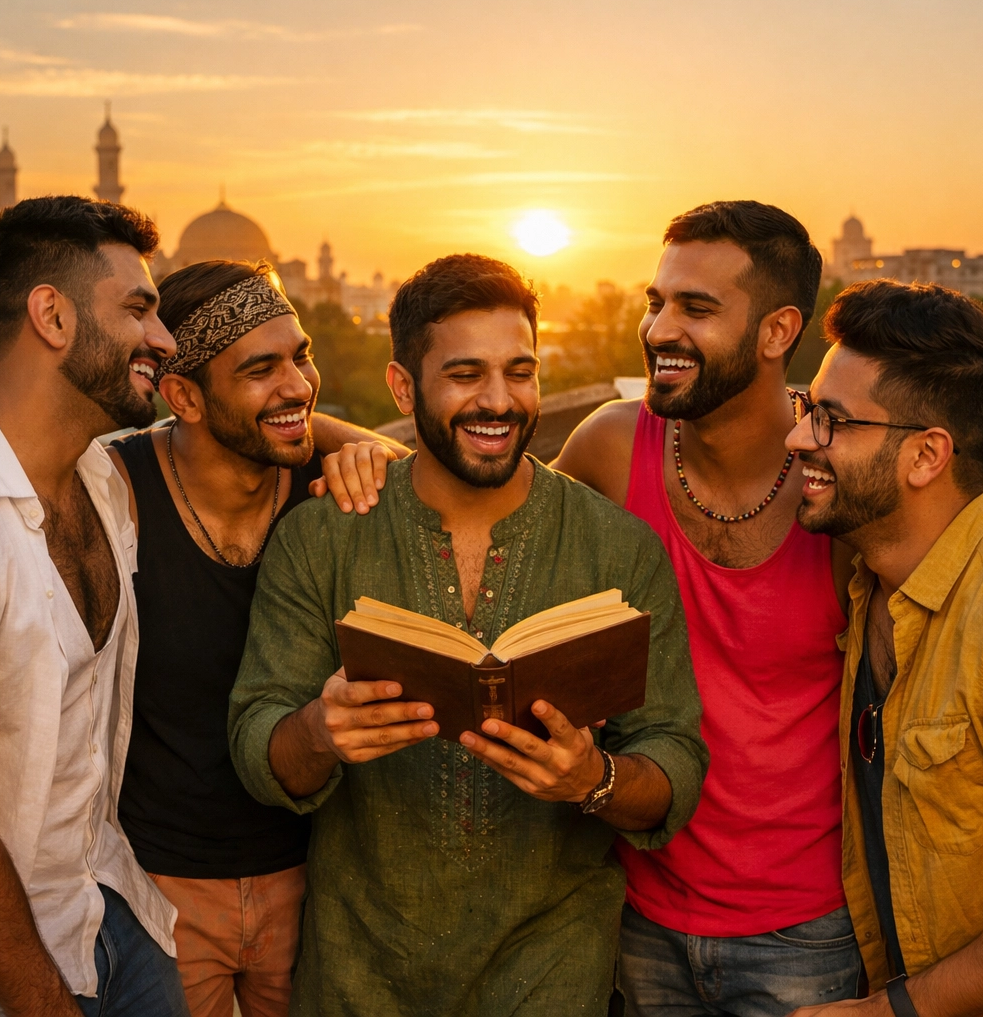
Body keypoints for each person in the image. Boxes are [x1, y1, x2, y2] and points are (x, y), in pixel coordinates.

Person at [317, 203, 862, 1015]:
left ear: (780, 330)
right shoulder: (614, 443)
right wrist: (345, 443)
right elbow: (487, 478)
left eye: (696, 309)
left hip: (803, 929)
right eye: (656, 301)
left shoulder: (836, 480)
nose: (660, 329)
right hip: (638, 911)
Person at [229, 253, 708, 1017]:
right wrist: (322, 731)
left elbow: (674, 756)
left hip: (553, 974)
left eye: (520, 371)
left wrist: (592, 780)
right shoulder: (322, 538)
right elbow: (258, 744)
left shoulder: (618, 550)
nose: (499, 400)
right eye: (464, 374)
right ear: (401, 387)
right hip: (358, 978)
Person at [107, 259, 409, 1017]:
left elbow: (424, 481)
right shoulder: (116, 495)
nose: (300, 385)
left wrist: (359, 445)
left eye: (301, 355)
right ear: (184, 397)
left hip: (312, 886)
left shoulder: (327, 489)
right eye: (261, 368)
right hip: (162, 896)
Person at [0, 196, 189, 1016]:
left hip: (111, 910)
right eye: (139, 309)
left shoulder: (102, 480)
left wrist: (367, 452)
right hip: (6, 974)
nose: (164, 341)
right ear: (51, 315)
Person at [783, 279, 983, 1017]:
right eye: (806, 408)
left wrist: (889, 1012)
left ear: (927, 455)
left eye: (832, 421)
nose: (798, 438)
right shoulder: (868, 583)